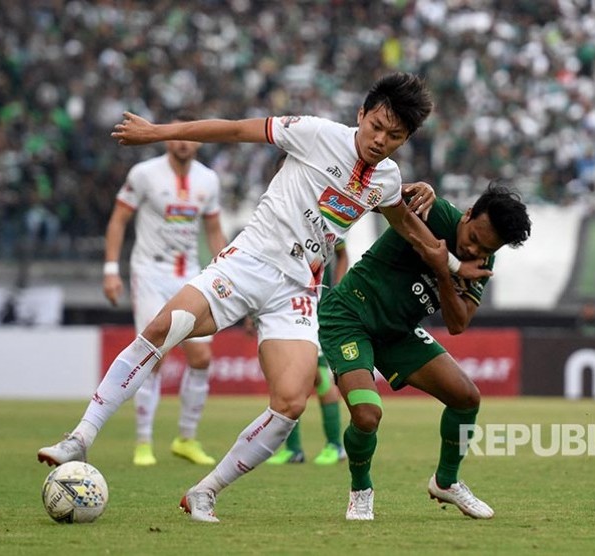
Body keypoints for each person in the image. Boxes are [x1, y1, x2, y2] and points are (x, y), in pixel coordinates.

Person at [37, 72, 484, 523]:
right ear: (361, 114)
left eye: (395, 136)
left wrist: (453, 267)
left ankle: (204, 492)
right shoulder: (313, 133)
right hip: (249, 262)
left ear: (405, 139)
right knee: (163, 328)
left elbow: (408, 227)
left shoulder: (387, 179)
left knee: (290, 403)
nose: (380, 140)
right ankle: (81, 436)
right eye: (376, 127)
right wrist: (157, 132)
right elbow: (234, 129)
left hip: (298, 291)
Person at [318, 182, 531, 520]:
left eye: (485, 249)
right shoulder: (433, 211)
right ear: (467, 214)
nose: (473, 251)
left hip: (397, 332)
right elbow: (370, 201)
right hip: (349, 316)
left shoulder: (481, 261)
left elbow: (458, 323)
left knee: (467, 397)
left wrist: (444, 273)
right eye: (473, 239)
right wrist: (402, 190)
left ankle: (446, 481)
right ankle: (361, 490)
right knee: (367, 415)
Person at [102, 112, 227, 467]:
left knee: (201, 357)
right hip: (150, 271)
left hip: (189, 274)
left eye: (190, 136)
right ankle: (143, 442)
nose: (183, 142)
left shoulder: (209, 180)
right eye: (177, 135)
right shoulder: (144, 174)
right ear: (168, 137)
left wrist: (227, 271)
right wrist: (111, 270)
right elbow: (118, 220)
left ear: (198, 140)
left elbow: (214, 231)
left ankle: (186, 438)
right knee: (152, 354)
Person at [265, 238, 349, 466]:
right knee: (287, 378)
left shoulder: (326, 224)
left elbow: (342, 255)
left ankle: (335, 445)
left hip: (316, 312)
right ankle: (293, 449)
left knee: (321, 377)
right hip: (286, 310)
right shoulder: (282, 226)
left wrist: (338, 289)